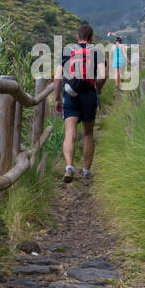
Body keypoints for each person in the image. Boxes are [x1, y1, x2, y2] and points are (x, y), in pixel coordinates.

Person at [54, 23, 105, 183]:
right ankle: (86, 171)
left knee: (70, 132)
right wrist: (98, 90)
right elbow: (103, 76)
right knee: (88, 134)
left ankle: (69, 168)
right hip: (89, 94)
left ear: (77, 37)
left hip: (71, 94)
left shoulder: (67, 51)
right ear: (91, 39)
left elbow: (57, 77)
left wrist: (57, 97)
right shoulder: (97, 52)